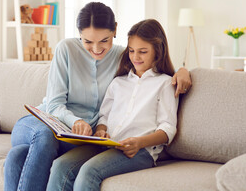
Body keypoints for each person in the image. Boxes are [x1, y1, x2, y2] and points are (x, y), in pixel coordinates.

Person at [4, 3, 191, 191]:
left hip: (84, 138)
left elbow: (156, 70)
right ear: (79, 34)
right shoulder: (66, 49)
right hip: (46, 123)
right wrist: (77, 121)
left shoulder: (123, 55)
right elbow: (54, 105)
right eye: (87, 41)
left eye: (104, 40)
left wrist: (183, 71)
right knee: (44, 137)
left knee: (17, 156)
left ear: (115, 30)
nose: (96, 48)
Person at [46, 19, 179, 191]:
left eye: (143, 52)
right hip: (107, 144)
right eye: (131, 51)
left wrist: (139, 142)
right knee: (60, 165)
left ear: (158, 51)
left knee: (89, 171)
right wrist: (101, 130)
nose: (135, 57)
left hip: (140, 152)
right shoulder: (118, 82)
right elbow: (105, 116)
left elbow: (168, 128)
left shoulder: (165, 83)